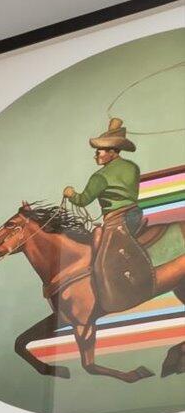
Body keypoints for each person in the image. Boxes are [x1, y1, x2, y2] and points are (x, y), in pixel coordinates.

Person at [64, 117, 151, 314]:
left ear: (112, 152)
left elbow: (82, 200)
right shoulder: (132, 167)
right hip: (135, 214)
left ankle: (113, 298)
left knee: (101, 261)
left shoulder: (100, 177)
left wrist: (70, 194)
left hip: (117, 220)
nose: (96, 155)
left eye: (100, 151)